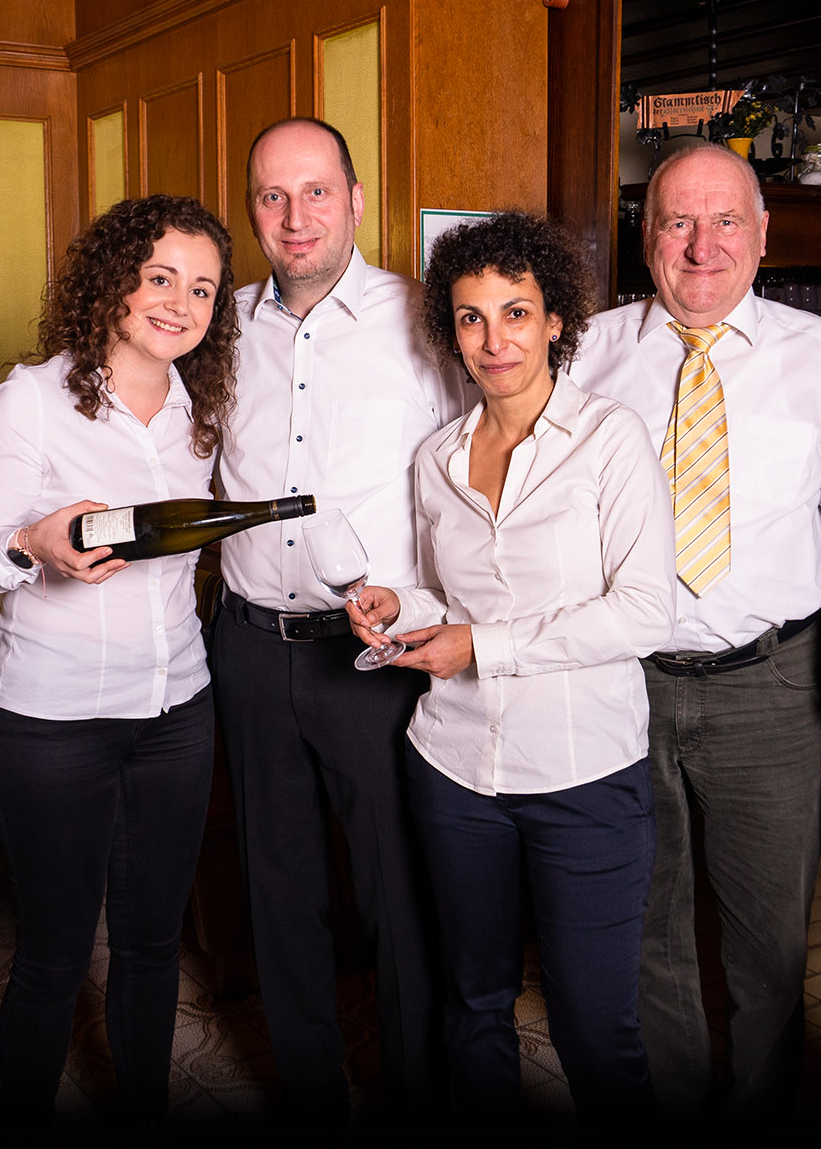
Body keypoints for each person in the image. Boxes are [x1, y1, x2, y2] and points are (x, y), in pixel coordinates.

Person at [348, 211, 676, 1123]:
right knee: (474, 1001)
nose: (495, 341)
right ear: (450, 332)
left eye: (516, 313)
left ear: (556, 319)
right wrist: (398, 605)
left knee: (594, 1028)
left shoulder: (610, 438)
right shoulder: (437, 457)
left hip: (584, 775)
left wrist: (480, 648)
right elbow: (442, 595)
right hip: (453, 768)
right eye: (471, 318)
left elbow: (645, 611)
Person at [569, 143, 821, 1122]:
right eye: (677, 222)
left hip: (771, 689)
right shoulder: (587, 352)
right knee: (645, 923)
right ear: (645, 235)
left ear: (762, 234)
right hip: (622, 681)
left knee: (768, 938)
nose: (702, 246)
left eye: (726, 221)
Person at [211, 117, 465, 1121]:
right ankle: (311, 1091)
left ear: (356, 201)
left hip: (374, 655)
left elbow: (470, 484)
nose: (295, 216)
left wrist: (436, 612)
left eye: (316, 191)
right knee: (276, 886)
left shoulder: (425, 319)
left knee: (395, 885)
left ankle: (416, 1093)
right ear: (251, 211)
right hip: (247, 644)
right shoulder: (219, 325)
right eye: (272, 195)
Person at [0, 195, 236, 1123]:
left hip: (177, 711)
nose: (178, 303)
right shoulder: (33, 397)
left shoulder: (201, 410)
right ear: (114, 280)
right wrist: (34, 542)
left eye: (201, 289)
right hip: (54, 721)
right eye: (159, 277)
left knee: (153, 944)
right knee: (54, 952)